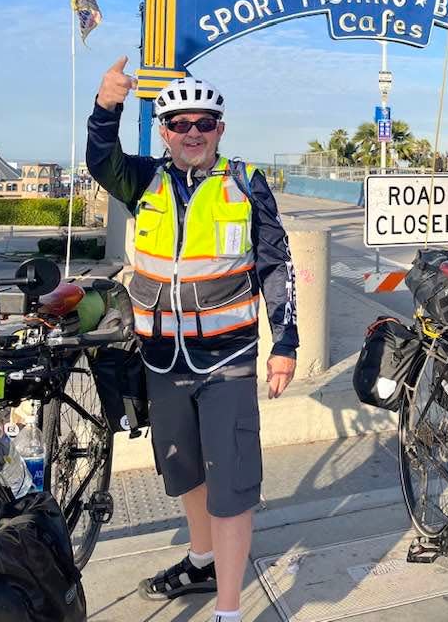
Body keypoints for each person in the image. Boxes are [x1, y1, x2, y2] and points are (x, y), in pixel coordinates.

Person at [86, 59, 299, 622]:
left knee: (230, 481)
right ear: (164, 131)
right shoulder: (143, 182)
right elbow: (98, 160)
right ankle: (202, 560)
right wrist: (106, 105)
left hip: (227, 359)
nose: (192, 133)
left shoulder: (246, 183)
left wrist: (285, 343)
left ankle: (228, 610)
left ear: (220, 129)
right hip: (162, 359)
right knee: (182, 470)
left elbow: (276, 267)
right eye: (179, 123)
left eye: (204, 122)